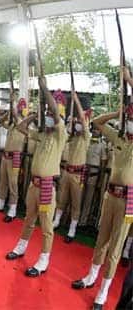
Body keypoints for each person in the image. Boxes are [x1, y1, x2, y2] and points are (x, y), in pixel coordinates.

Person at [71, 71, 133, 310]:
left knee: (116, 246)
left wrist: (129, 81)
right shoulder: (120, 138)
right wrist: (120, 113)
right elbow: (97, 122)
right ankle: (91, 277)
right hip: (111, 195)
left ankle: (104, 291)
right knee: (102, 240)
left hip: (129, 200)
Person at [5, 80, 67, 278]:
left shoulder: (60, 133)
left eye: (50, 114)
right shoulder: (42, 134)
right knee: (29, 218)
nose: (48, 117)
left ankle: (44, 259)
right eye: (47, 114)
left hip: (48, 186)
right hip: (34, 184)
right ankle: (21, 246)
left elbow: (56, 115)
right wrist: (35, 114)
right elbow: (21, 127)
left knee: (46, 226)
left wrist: (45, 90)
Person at [52, 90, 91, 243]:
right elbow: (66, 128)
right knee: (62, 199)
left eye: (81, 124)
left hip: (77, 175)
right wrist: (70, 121)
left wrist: (76, 100)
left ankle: (72, 229)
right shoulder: (71, 137)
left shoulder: (86, 137)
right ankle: (56, 221)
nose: (79, 125)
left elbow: (82, 119)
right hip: (67, 172)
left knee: (76, 202)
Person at [0, 96, 26, 223]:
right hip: (5, 156)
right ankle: (0, 202)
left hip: (15, 158)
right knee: (3, 180)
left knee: (13, 183)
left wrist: (13, 107)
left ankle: (12, 208)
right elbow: (0, 122)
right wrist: (9, 112)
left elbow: (18, 119)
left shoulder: (24, 126)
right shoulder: (12, 125)